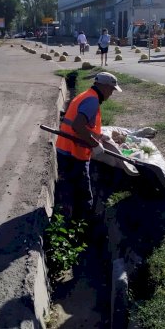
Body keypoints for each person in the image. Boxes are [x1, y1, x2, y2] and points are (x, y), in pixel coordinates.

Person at [55, 72, 122, 222]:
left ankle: (67, 219)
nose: (111, 94)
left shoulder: (86, 95)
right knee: (83, 193)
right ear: (104, 87)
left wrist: (98, 136)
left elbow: (83, 125)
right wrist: (95, 145)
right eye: (112, 90)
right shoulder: (92, 101)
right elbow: (78, 126)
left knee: (67, 188)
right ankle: (83, 225)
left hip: (65, 149)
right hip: (74, 154)